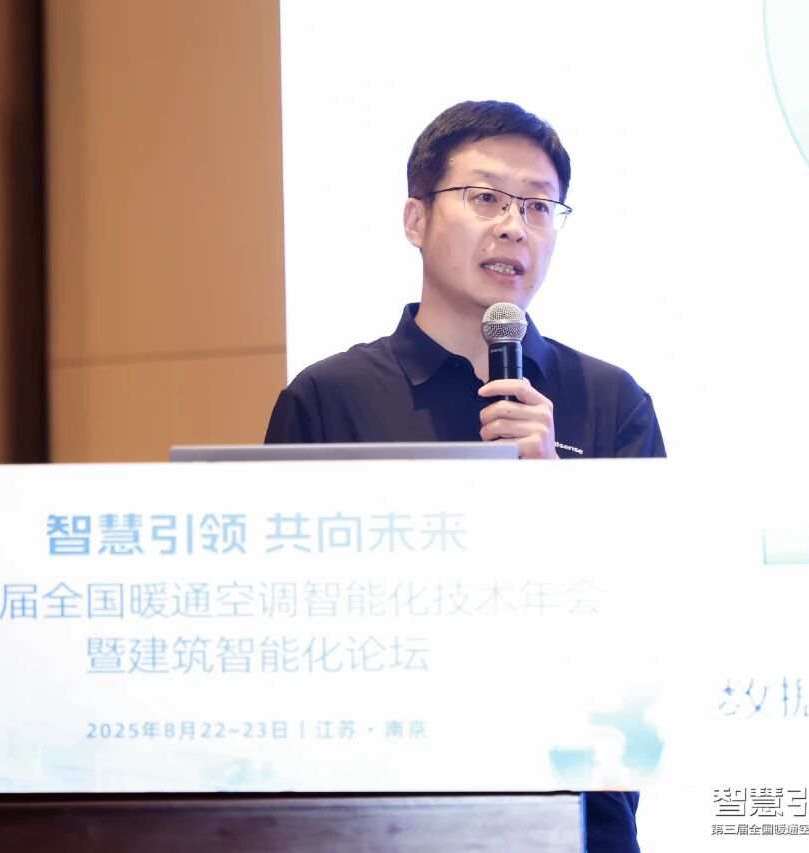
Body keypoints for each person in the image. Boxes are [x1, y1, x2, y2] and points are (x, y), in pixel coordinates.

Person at [265, 100, 664, 851]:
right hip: (376, 807)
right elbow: (281, 620)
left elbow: (652, 623)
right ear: (415, 219)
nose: (515, 226)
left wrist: (552, 496)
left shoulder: (611, 400)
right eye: (485, 197)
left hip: (573, 809)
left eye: (539, 206)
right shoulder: (329, 398)